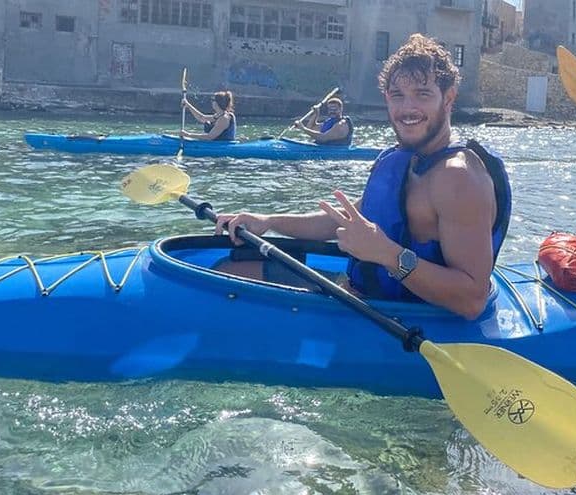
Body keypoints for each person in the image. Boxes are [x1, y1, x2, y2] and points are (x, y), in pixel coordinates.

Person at [213, 34, 512, 320]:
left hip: (405, 322)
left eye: (422, 95)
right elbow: (348, 220)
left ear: (448, 99)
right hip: (360, 296)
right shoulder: (407, 158)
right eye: (398, 95)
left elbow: (472, 300)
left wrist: (388, 254)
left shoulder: (458, 178)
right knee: (228, 268)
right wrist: (268, 221)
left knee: (223, 286)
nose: (408, 108)